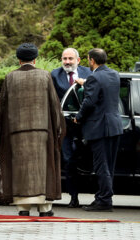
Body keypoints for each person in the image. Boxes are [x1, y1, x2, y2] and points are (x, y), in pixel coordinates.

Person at [0, 43, 65, 217]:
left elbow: (2, 109)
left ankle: (23, 208)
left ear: (18, 60)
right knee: (43, 167)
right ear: (35, 59)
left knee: (21, 168)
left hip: (16, 133)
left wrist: (2, 132)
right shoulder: (44, 76)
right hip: (42, 131)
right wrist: (58, 129)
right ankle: (44, 208)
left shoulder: (10, 78)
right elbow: (54, 107)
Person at [73, 48, 123, 212]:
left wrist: (78, 117)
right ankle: (102, 197)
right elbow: (103, 88)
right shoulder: (114, 74)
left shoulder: (94, 77)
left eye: (88, 59)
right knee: (109, 165)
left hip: (99, 127)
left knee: (101, 166)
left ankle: (104, 201)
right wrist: (86, 83)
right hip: (114, 126)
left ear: (92, 61)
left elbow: (89, 102)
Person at [51, 48, 91, 208]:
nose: (67, 62)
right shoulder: (54, 75)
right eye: (64, 58)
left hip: (86, 127)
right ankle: (73, 197)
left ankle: (97, 196)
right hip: (65, 128)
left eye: (70, 59)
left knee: (88, 161)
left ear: (78, 60)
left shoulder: (89, 73)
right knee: (68, 161)